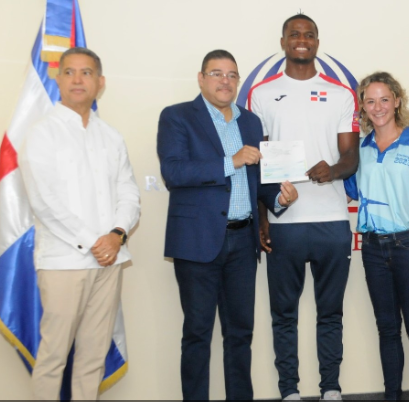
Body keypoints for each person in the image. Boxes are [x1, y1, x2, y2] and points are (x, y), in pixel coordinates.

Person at [157, 49, 297, 400]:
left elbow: (259, 179)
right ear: (201, 79)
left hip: (242, 243)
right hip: (197, 242)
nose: (225, 81)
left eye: (232, 75)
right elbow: (174, 172)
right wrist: (229, 161)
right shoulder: (177, 117)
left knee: (240, 334)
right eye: (216, 73)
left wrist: (280, 199)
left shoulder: (250, 122)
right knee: (197, 334)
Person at [247, 14, 360, 401]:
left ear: (317, 42)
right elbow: (259, 163)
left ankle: (331, 388)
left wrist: (334, 170)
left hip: (331, 220)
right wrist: (263, 217)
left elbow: (351, 157)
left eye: (309, 34)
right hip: (285, 222)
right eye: (294, 34)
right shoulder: (262, 94)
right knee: (284, 315)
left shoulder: (341, 94)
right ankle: (289, 391)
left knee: (331, 313)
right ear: (283, 42)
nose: (301, 39)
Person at [18, 47, 140, 400]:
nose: (77, 79)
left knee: (93, 356)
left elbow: (128, 191)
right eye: (69, 72)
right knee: (53, 356)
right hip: (63, 262)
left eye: (86, 73)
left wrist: (116, 235)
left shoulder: (111, 136)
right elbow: (44, 200)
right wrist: (95, 242)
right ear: (58, 80)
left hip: (109, 261)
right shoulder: (42, 133)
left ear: (100, 82)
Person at [344, 72, 409, 400]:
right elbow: (348, 190)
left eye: (384, 99)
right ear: (363, 107)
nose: (378, 107)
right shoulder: (361, 149)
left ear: (397, 101)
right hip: (372, 248)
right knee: (387, 329)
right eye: (370, 101)